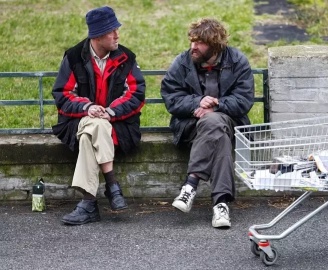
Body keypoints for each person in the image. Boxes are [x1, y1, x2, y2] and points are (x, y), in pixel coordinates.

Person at [52, 6, 146, 225]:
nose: (117, 35)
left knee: (90, 134)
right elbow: (63, 94)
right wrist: (88, 108)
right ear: (97, 35)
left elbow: (136, 94)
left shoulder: (126, 57)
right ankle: (112, 185)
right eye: (111, 30)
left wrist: (109, 112)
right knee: (94, 125)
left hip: (119, 125)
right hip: (78, 120)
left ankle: (88, 203)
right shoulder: (74, 57)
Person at [161, 18, 254, 228]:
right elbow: (171, 97)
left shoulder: (237, 61)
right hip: (191, 126)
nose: (193, 47)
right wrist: (197, 102)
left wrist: (217, 104)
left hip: (229, 122)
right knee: (217, 134)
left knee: (214, 121)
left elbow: (244, 100)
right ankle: (221, 204)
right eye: (192, 41)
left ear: (214, 45)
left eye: (199, 43)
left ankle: (190, 185)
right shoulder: (183, 62)